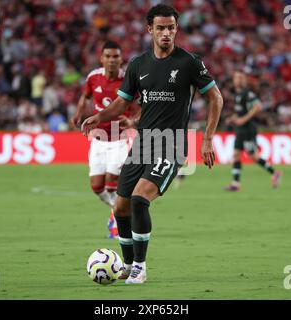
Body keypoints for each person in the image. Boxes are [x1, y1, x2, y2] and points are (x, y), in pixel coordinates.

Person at [82, 4, 223, 284]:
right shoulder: (138, 65)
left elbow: (216, 98)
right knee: (120, 207)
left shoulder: (189, 62)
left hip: (170, 145)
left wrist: (207, 140)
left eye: (171, 27)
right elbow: (123, 102)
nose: (166, 33)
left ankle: (140, 268)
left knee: (138, 200)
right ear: (150, 30)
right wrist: (98, 116)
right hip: (143, 144)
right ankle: (127, 264)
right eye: (160, 27)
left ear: (176, 29)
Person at [71, 41, 139, 238]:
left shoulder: (128, 78)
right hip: (98, 139)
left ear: (121, 59)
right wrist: (78, 113)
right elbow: (85, 97)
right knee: (96, 187)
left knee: (112, 182)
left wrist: (132, 120)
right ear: (101, 59)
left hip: (120, 138)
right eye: (108, 56)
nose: (111, 60)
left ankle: (119, 220)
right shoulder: (93, 77)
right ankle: (118, 210)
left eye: (115, 56)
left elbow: (144, 103)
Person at [224, 70, 281, 191]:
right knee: (236, 155)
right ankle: (235, 184)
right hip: (240, 130)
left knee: (253, 156)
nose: (238, 80)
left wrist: (243, 119)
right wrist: (232, 119)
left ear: (244, 80)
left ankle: (274, 173)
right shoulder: (237, 95)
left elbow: (258, 106)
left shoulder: (247, 93)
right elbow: (240, 113)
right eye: (236, 78)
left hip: (248, 129)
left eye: (240, 78)